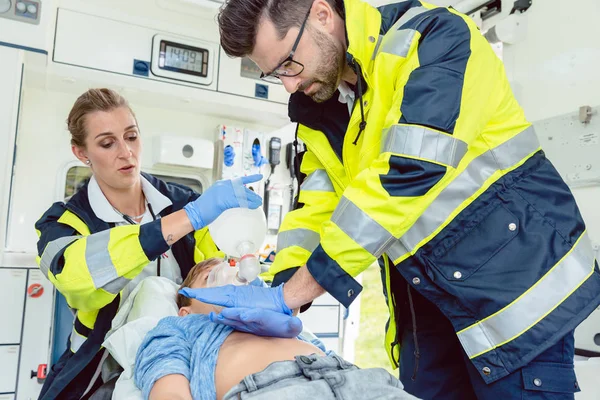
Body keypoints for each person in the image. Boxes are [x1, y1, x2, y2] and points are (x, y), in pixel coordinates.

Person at [180, 0, 600, 398]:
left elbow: (409, 172)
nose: (289, 84)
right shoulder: (321, 111)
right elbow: (317, 208)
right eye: (276, 74)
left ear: (323, 14)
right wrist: (283, 288)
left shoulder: (436, 38)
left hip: (516, 296)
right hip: (426, 307)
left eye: (289, 63)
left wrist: (286, 298)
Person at [34, 88, 263, 399]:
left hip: (186, 345)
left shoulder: (182, 202)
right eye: (107, 143)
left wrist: (241, 257)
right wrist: (185, 220)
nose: (126, 152)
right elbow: (78, 279)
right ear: (81, 153)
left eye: (131, 136)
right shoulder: (61, 224)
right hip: (99, 363)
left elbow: (217, 269)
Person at [135, 258, 415, 400]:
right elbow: (168, 391)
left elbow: (325, 354)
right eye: (210, 276)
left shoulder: (274, 318)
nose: (230, 276)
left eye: (232, 268)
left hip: (358, 383)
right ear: (185, 311)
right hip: (272, 390)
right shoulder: (179, 327)